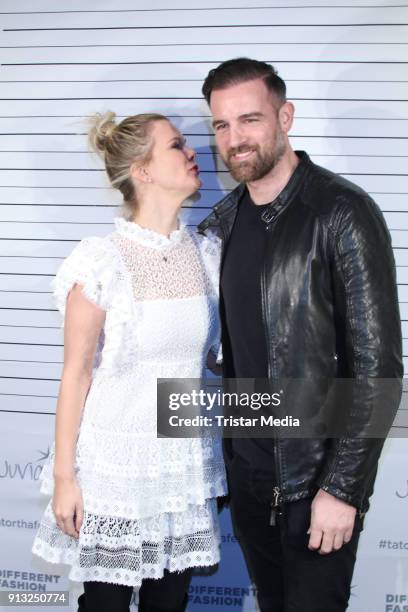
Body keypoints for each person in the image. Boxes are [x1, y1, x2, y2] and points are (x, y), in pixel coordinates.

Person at [198, 58, 403, 612]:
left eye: (250, 119)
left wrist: (342, 490)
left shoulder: (342, 212)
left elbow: (378, 368)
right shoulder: (222, 222)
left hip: (315, 485)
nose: (235, 139)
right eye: (221, 125)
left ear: (285, 116)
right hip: (248, 480)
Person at [32, 111, 227, 612]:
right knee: (105, 605)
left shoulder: (208, 256)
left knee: (169, 605)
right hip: (114, 467)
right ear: (142, 171)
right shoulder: (101, 262)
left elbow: (215, 361)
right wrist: (64, 479)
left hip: (182, 468)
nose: (193, 154)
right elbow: (75, 374)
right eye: (177, 145)